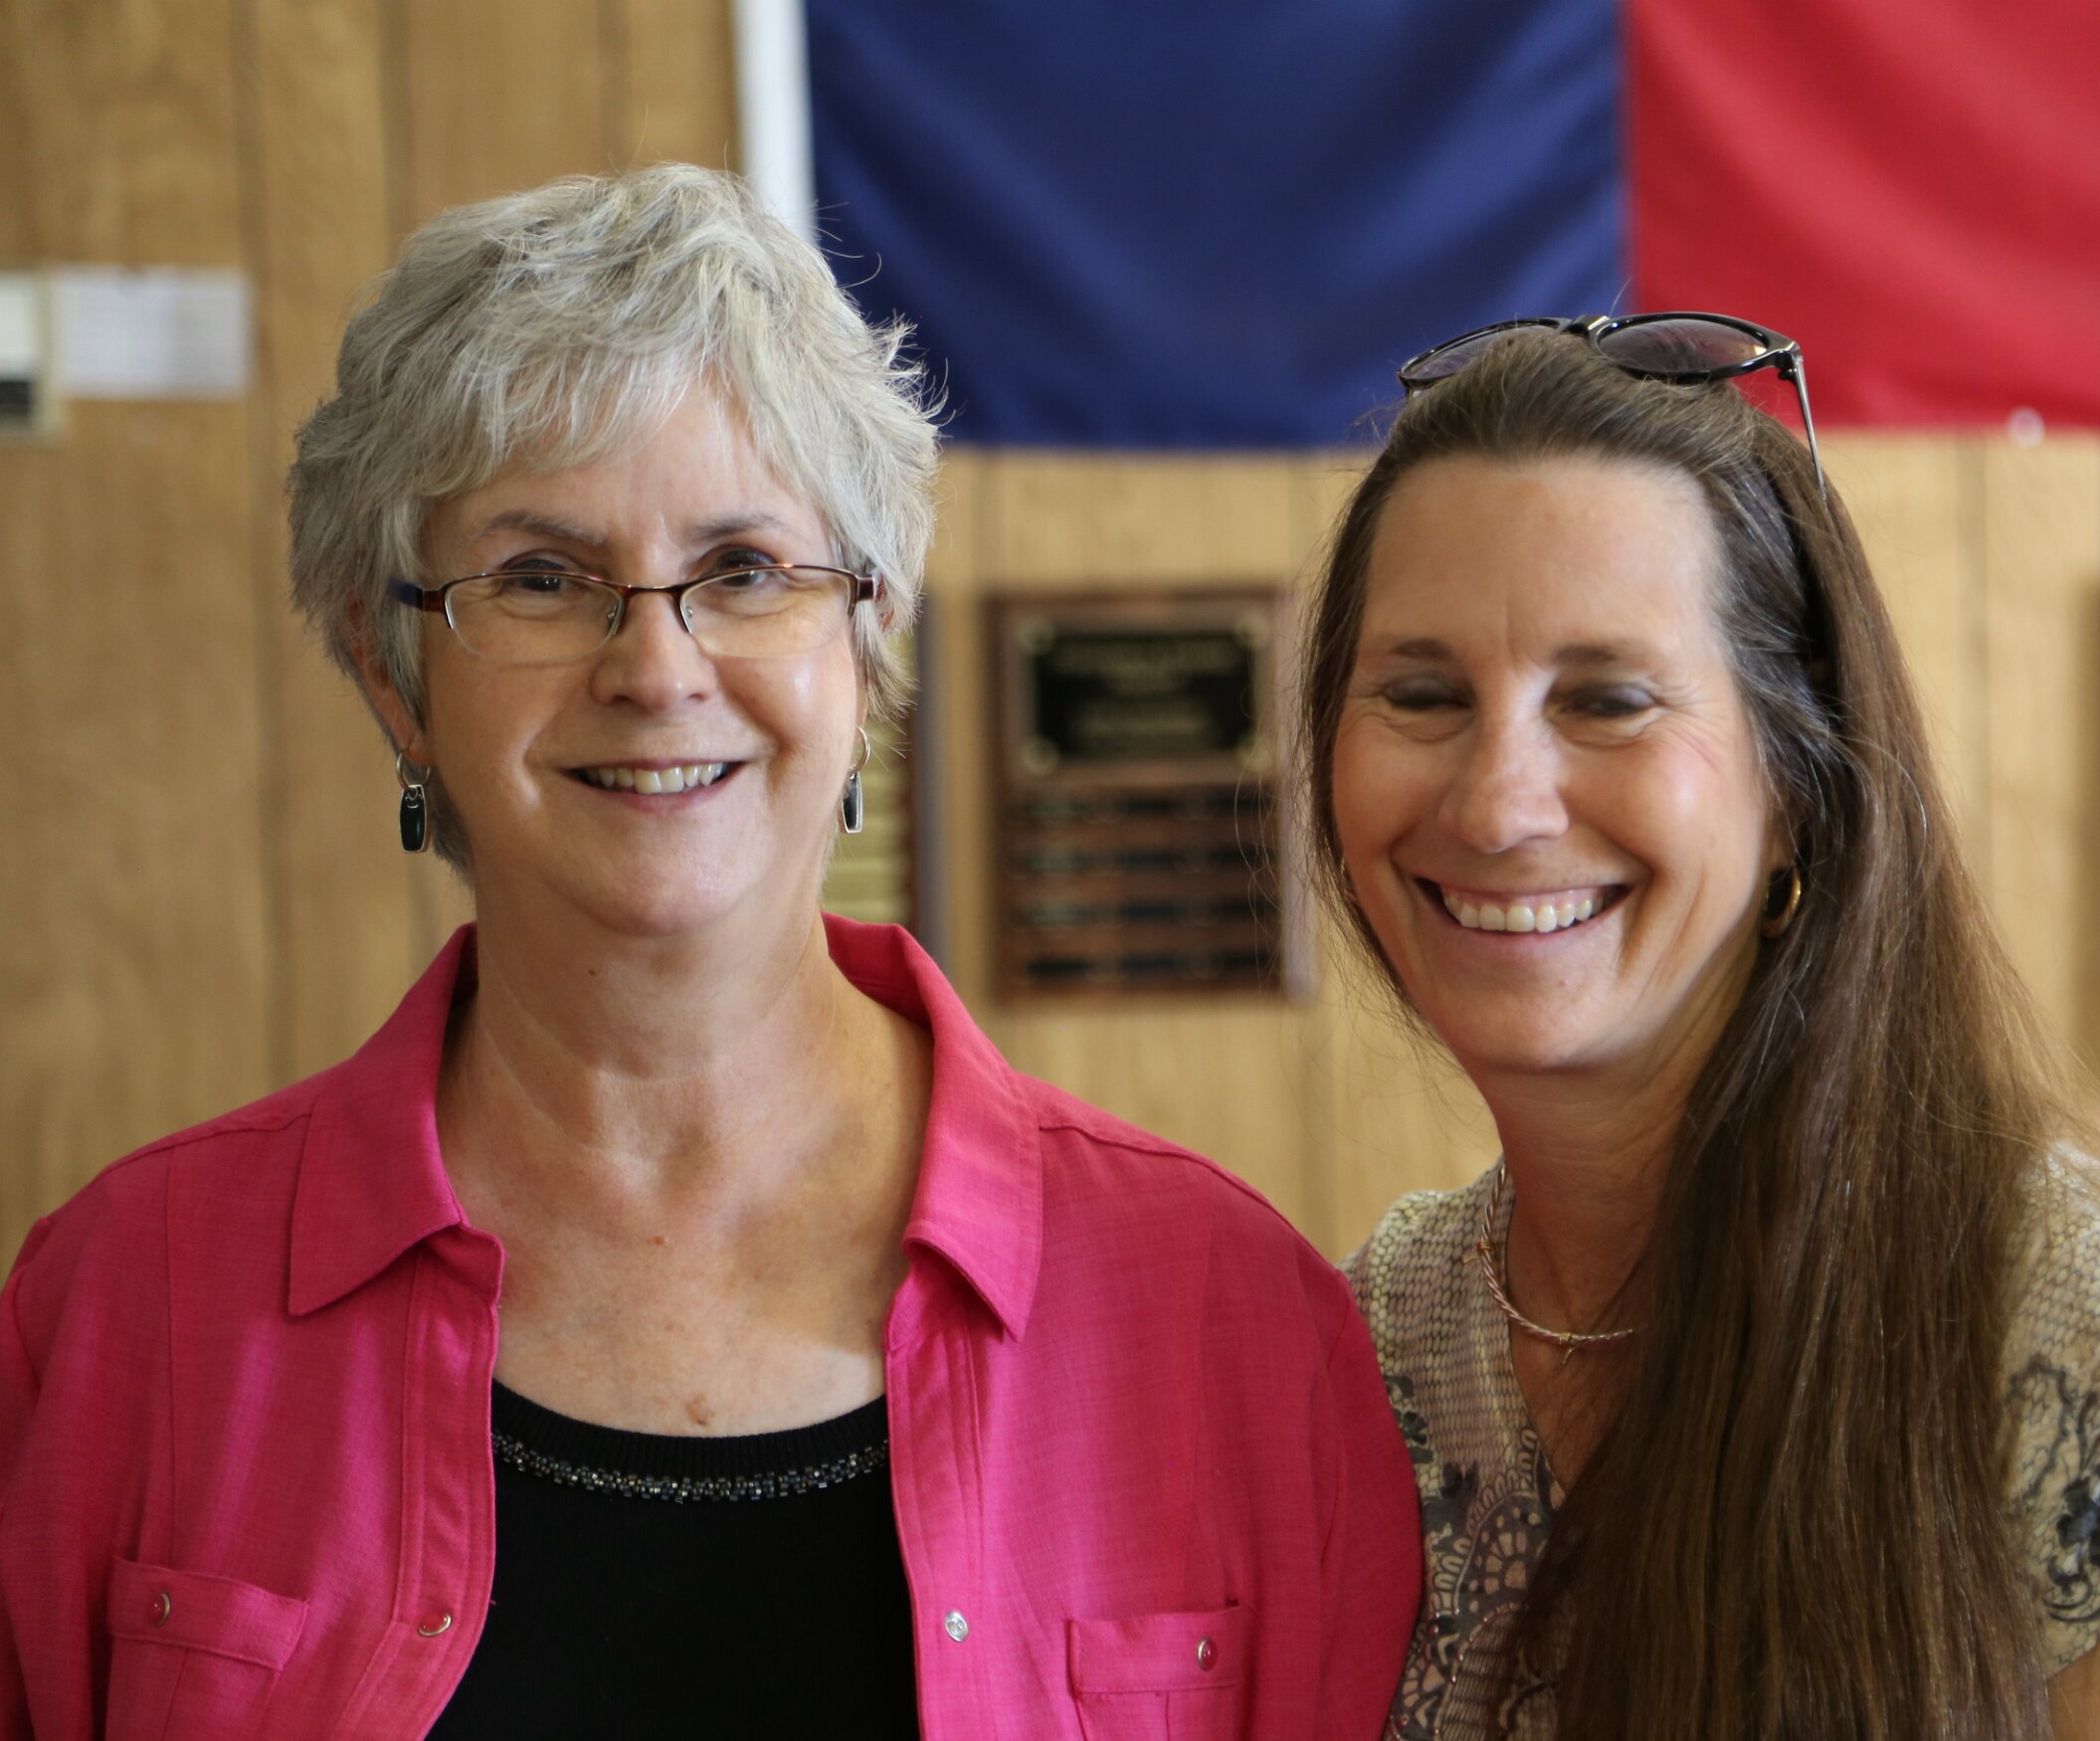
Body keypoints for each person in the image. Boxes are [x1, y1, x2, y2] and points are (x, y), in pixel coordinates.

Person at [0, 164, 1418, 1739]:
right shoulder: (123, 1305)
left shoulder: (1228, 1318)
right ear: (392, 673)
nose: (657, 668)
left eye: (743, 570)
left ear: (867, 635)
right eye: (542, 577)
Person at [1302, 315, 2100, 1739]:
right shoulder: (1369, 1341)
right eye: (1422, 694)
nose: (1498, 802)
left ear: (1798, 789)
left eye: (1609, 700)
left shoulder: (2087, 1341)